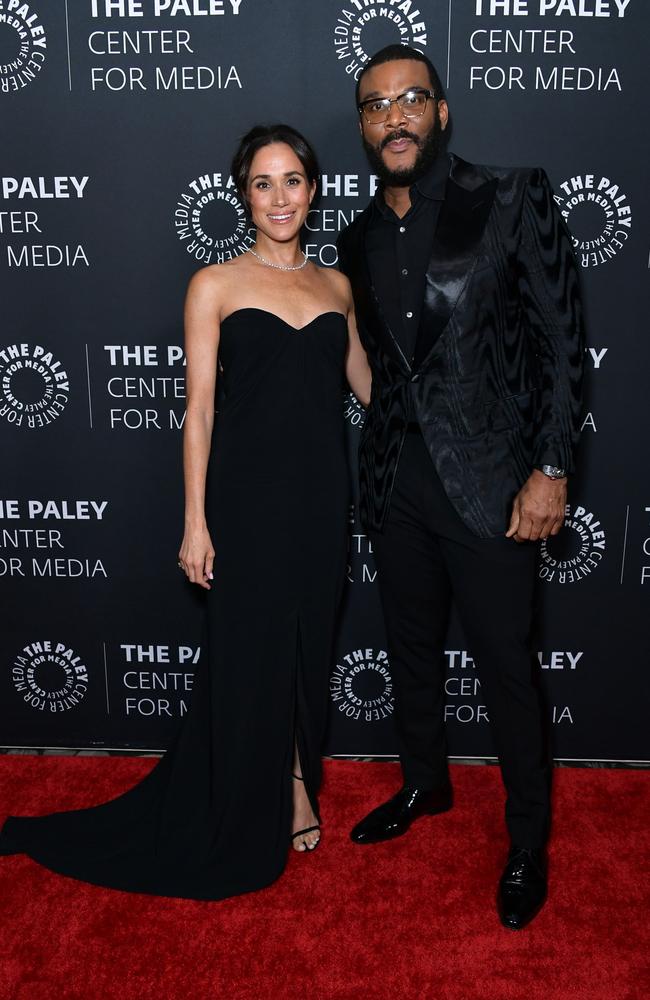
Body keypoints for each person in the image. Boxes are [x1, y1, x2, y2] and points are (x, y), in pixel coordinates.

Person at [0, 124, 371, 900]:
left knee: (308, 647)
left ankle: (298, 777)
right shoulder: (215, 283)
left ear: (314, 188)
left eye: (293, 180)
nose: (279, 197)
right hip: (245, 500)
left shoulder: (337, 287)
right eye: (263, 183)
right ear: (244, 194)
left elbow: (372, 391)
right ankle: (261, 792)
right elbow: (198, 412)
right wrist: (195, 522)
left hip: (322, 497)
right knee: (250, 651)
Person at [337, 45, 584, 930]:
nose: (394, 117)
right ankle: (425, 785)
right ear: (363, 126)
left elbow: (561, 347)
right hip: (398, 483)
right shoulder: (356, 236)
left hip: (492, 483)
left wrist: (550, 469)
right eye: (376, 106)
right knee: (409, 655)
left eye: (411, 100)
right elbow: (379, 367)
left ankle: (526, 842)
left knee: (509, 671)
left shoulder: (513, 196)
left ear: (441, 113)